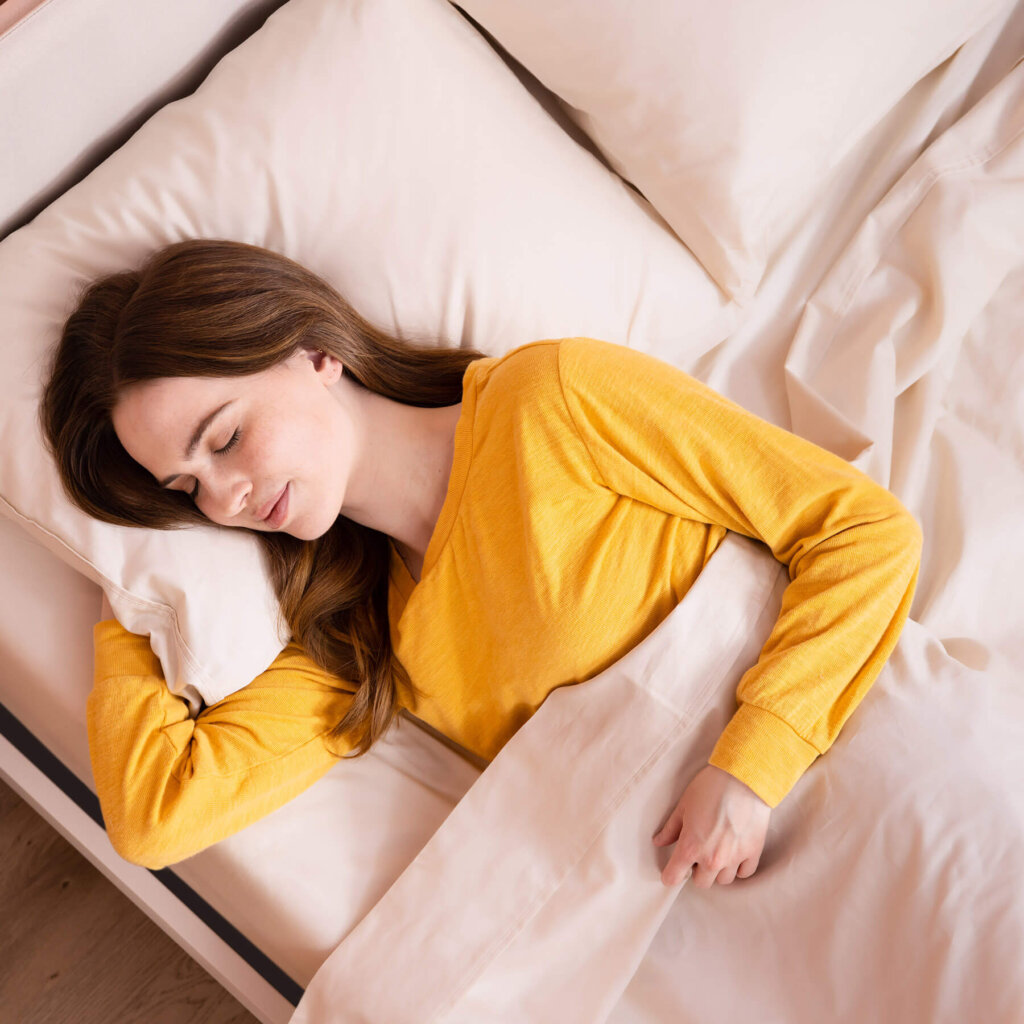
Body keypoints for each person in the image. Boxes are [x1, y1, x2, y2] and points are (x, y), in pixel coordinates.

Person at [41, 238, 922, 885]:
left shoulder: (551, 403)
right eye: (186, 486)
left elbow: (863, 534)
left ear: (316, 351)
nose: (226, 497)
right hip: (711, 892)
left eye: (226, 436)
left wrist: (748, 768)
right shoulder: (362, 635)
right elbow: (154, 817)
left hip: (870, 763)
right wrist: (135, 588)